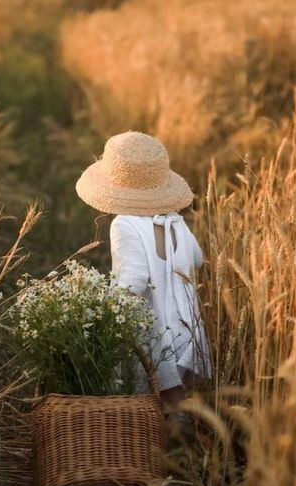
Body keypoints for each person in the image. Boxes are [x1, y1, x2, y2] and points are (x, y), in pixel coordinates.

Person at [75, 130, 212, 418]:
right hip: (185, 325)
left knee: (150, 404)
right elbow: (198, 259)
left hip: (154, 331)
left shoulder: (125, 224)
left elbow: (132, 283)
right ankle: (184, 455)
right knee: (176, 401)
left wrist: (101, 314)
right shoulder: (176, 221)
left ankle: (151, 452)